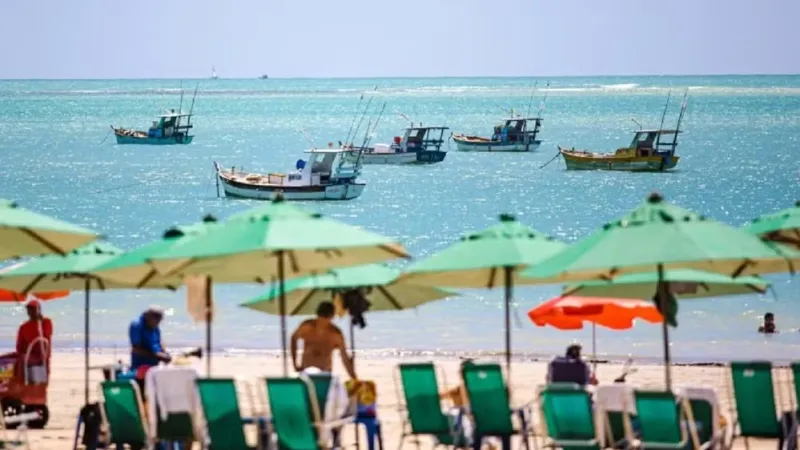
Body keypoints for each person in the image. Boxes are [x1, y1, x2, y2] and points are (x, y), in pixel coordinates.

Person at [290, 301, 356, 379]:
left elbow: (345, 358)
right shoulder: (308, 327)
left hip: (323, 374)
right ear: (332, 316)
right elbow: (293, 339)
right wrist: (295, 364)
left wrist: (353, 377)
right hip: (308, 373)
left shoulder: (334, 333)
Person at [9, 300, 53, 384]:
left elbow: (46, 335)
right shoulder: (24, 327)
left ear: (39, 310)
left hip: (42, 356)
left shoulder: (46, 322)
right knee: (11, 359)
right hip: (29, 354)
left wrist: (39, 322)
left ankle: (26, 383)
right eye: (29, 309)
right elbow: (19, 346)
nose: (31, 311)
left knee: (42, 379)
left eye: (33, 309)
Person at [129, 306, 171, 377]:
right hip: (141, 367)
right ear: (148, 317)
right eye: (156, 321)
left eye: (159, 321)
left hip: (155, 366)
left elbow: (159, 341)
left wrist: (165, 352)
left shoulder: (154, 324)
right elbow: (136, 348)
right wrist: (158, 356)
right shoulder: (136, 325)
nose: (158, 324)